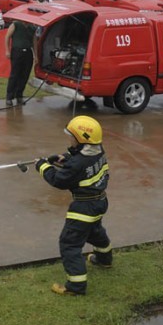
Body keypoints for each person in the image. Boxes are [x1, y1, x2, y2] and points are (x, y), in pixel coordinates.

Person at [36, 116, 112, 296]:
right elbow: (81, 161)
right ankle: (104, 259)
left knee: (69, 243)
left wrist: (43, 167)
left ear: (81, 139)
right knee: (94, 231)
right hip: (100, 202)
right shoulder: (98, 149)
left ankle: (75, 286)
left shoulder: (78, 163)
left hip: (83, 208)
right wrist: (64, 158)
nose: (69, 139)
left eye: (72, 136)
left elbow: (59, 180)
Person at [4, 19, 35, 107]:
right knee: (14, 74)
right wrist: (7, 50)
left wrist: (36, 55)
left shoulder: (32, 27)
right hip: (17, 51)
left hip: (28, 52)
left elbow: (34, 41)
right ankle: (9, 97)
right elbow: (7, 37)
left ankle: (19, 95)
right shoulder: (15, 24)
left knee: (25, 75)